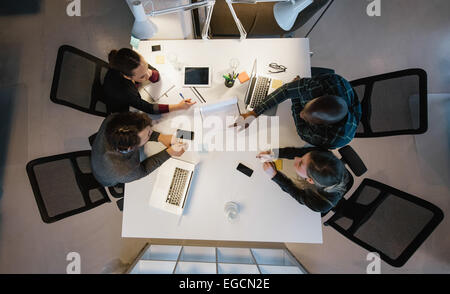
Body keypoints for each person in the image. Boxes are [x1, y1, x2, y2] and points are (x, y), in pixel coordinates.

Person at [235, 73, 362, 149]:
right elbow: (286, 90)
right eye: (306, 106)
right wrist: (253, 113)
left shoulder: (332, 138)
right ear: (317, 97)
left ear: (321, 126)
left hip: (337, 130)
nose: (301, 114)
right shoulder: (330, 82)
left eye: (306, 118)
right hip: (333, 89)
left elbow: (302, 132)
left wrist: (296, 101)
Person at [91, 111, 186, 187]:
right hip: (106, 177)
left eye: (149, 130)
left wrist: (160, 137)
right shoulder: (124, 172)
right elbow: (144, 170)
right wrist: (169, 153)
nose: (151, 132)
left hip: (100, 155)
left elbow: (138, 131)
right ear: (131, 147)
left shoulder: (113, 119)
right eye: (148, 134)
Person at [257, 146, 350, 213]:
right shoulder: (322, 154)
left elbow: (296, 193)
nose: (296, 158)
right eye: (302, 158)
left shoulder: (321, 204)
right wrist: (273, 154)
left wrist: (274, 175)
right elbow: (298, 152)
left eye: (300, 163)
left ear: (310, 180)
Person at [103, 48, 195, 114]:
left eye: (147, 67)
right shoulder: (125, 93)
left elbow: (156, 76)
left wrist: (147, 73)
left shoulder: (134, 62)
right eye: (142, 76)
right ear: (127, 77)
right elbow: (150, 109)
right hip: (122, 109)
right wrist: (178, 106)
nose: (147, 75)